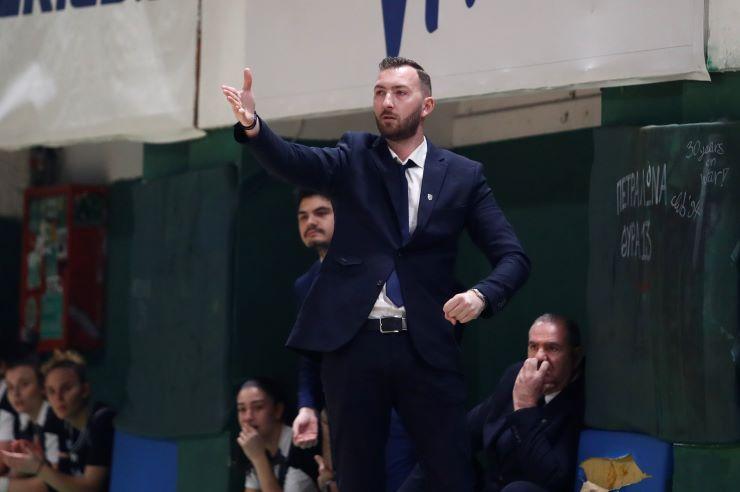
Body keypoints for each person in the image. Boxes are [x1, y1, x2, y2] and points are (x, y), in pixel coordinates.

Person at [222, 56, 530, 492]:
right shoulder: (354, 156)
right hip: (355, 346)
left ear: (426, 105)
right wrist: (254, 126)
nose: (387, 102)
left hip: (425, 343)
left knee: (451, 471)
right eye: (380, 92)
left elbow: (513, 256)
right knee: (357, 476)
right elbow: (294, 161)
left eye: (400, 93)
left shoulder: (463, 176)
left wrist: (481, 295)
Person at [290, 189, 417, 492]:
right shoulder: (305, 285)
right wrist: (307, 406)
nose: (311, 222)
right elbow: (309, 356)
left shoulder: (384, 263)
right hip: (346, 409)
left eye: (321, 213)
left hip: (398, 403)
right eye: (303, 216)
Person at [401, 313, 585, 492]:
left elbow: (552, 480)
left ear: (575, 357)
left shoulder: (579, 399)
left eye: (553, 348)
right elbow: (467, 431)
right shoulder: (516, 377)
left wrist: (525, 406)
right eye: (533, 346)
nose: (539, 357)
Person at [0, 350, 115, 492]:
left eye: (66, 389)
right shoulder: (66, 424)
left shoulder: (101, 420)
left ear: (85, 389)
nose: (58, 398)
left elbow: (90, 488)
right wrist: (37, 462)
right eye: (52, 391)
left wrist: (38, 467)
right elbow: (62, 479)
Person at [236, 378, 318, 492]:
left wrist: (259, 458)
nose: (248, 417)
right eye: (242, 409)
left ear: (278, 410)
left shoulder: (300, 448)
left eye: (258, 407)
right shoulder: (253, 445)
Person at [4, 355, 65, 469]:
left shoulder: (55, 419)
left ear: (43, 387)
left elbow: (54, 476)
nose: (15, 394)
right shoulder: (23, 420)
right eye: (10, 387)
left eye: (24, 384)